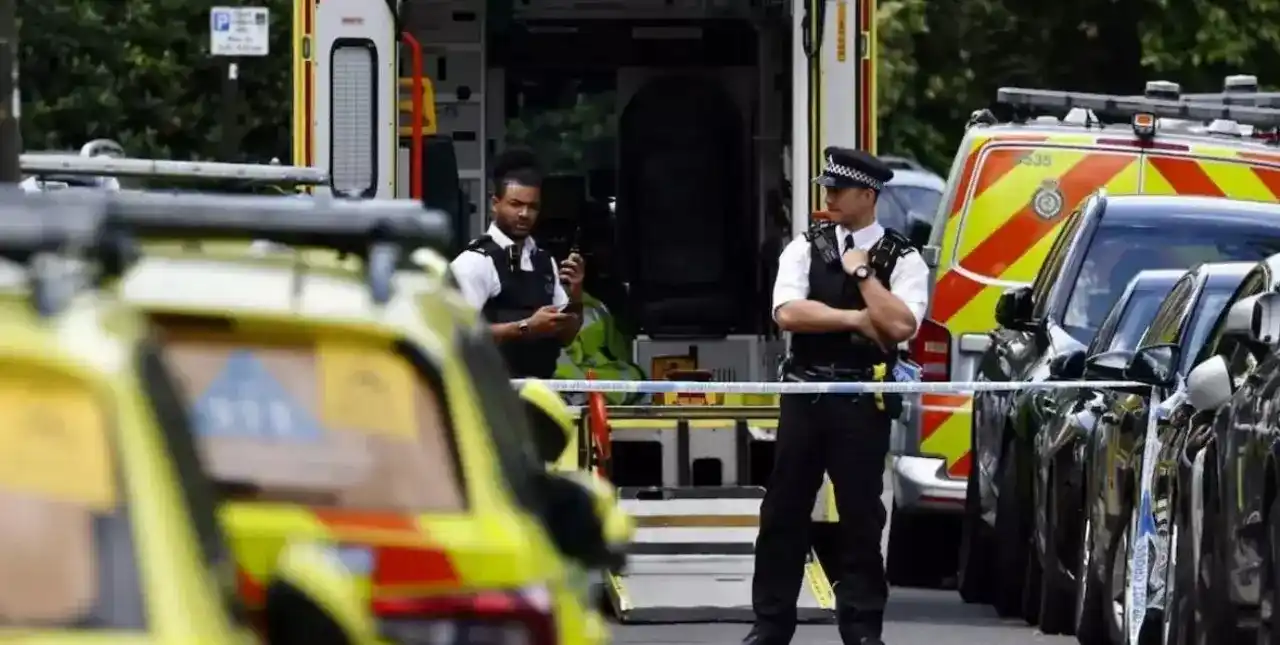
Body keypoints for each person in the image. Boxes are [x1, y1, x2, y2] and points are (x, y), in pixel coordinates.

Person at [745, 147, 930, 645]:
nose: (827, 197)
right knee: (784, 511)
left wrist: (864, 275)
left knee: (861, 517)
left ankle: (863, 628)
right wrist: (854, 318)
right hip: (805, 392)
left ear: (867, 196)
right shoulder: (804, 248)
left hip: (861, 400)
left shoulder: (902, 258)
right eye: (827, 188)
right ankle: (771, 624)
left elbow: (899, 327)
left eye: (838, 190)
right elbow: (787, 313)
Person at [450, 150, 585, 378]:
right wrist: (526, 327)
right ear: (496, 204)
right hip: (491, 394)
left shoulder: (544, 261)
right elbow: (457, 335)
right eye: (515, 204)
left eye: (532, 207)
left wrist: (576, 296)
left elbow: (566, 338)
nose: (524, 214)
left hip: (540, 392)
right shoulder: (475, 261)